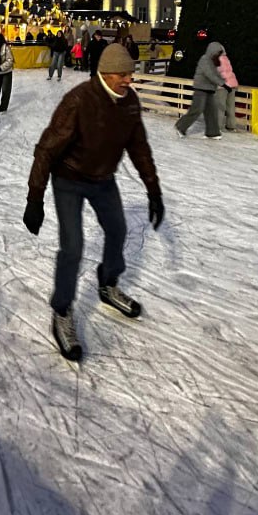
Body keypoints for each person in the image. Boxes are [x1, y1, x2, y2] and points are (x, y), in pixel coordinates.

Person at [24, 42, 165, 362]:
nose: (128, 80)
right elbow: (46, 149)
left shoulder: (129, 103)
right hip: (69, 180)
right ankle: (61, 310)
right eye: (122, 74)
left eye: (130, 74)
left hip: (103, 180)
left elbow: (139, 148)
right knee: (73, 247)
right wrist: (35, 199)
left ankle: (108, 284)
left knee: (118, 230)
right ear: (105, 73)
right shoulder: (78, 101)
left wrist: (153, 191)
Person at [175, 41, 224, 139]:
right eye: (218, 53)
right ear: (212, 51)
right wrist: (222, 83)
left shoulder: (213, 61)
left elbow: (216, 74)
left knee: (211, 111)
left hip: (209, 89)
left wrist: (224, 81)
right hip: (200, 88)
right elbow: (209, 74)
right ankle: (180, 127)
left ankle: (212, 132)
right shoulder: (205, 59)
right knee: (197, 109)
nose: (219, 55)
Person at [216, 43, 239, 131]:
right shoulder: (226, 59)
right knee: (230, 107)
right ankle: (231, 126)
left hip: (223, 87)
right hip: (232, 84)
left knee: (220, 107)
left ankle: (217, 127)